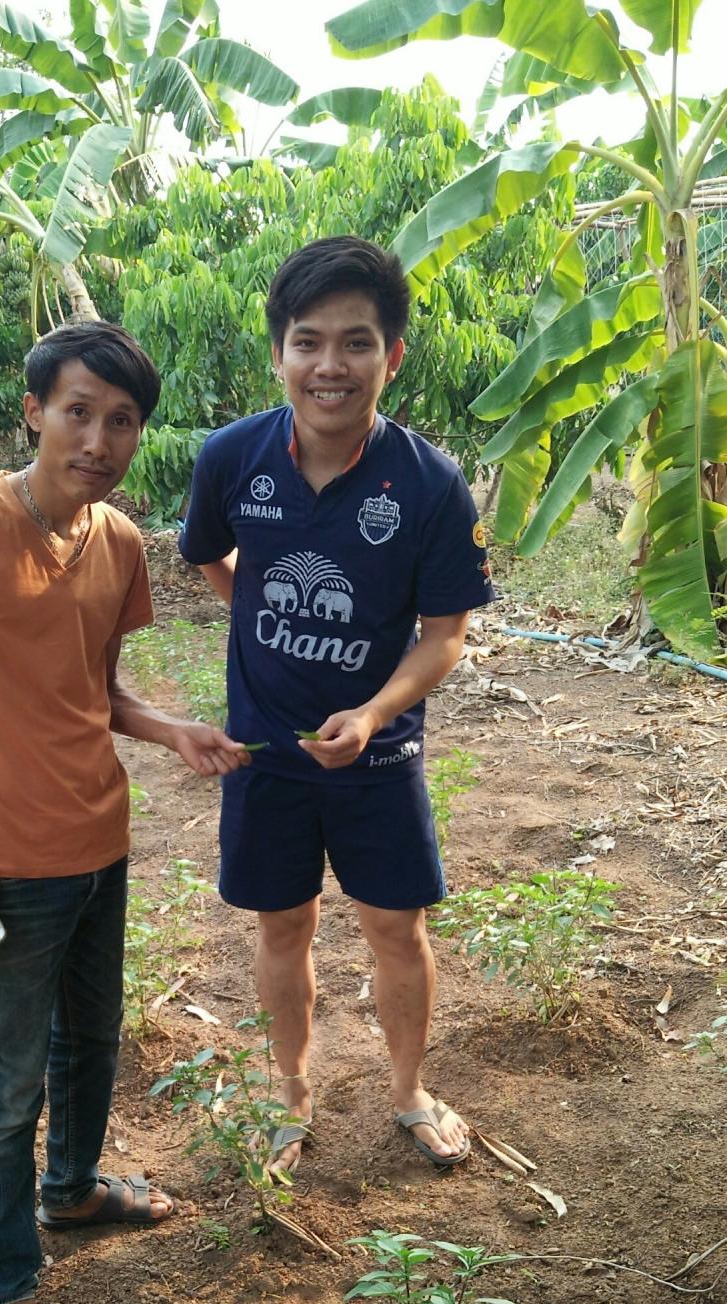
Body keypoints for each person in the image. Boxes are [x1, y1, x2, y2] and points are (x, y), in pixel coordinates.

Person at [0, 322, 247, 1304]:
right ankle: (8, 1279)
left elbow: (100, 688)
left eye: (121, 420)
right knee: (9, 1087)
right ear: (34, 412)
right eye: (78, 412)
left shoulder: (121, 541)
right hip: (4, 864)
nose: (98, 439)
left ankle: (74, 1189)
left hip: (100, 841)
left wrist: (173, 730)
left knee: (90, 1040)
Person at [178, 236, 495, 1177]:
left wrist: (373, 712)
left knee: (397, 928)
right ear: (279, 352)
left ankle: (407, 1092)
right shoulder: (231, 458)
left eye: (356, 343)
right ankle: (291, 1095)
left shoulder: (430, 484)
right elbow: (209, 554)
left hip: (379, 761)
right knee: (283, 926)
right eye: (308, 342)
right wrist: (257, 611)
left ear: (391, 356)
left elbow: (444, 635)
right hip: (263, 752)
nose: (330, 366)